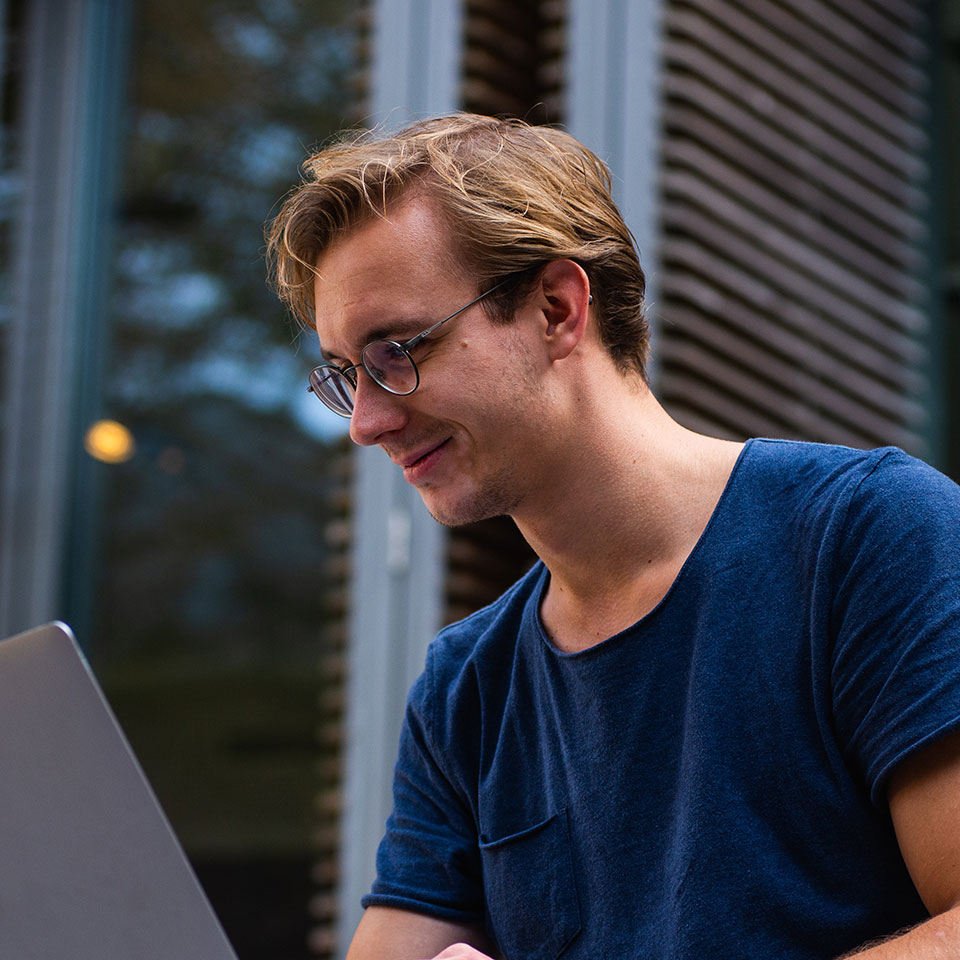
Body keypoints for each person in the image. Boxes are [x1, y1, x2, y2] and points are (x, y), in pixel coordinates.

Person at [266, 114, 960, 960]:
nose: (367, 422)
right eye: (347, 376)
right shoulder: (467, 690)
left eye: (396, 352)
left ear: (558, 308)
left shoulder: (866, 536)